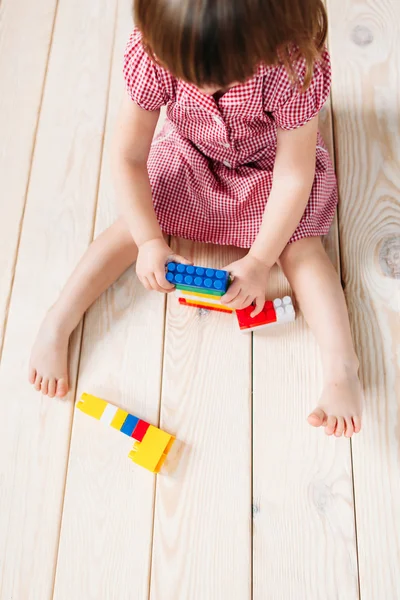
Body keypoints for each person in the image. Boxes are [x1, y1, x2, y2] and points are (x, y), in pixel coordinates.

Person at [29, 0, 363, 437]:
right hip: (191, 156)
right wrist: (150, 240)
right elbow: (129, 156)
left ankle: (342, 368)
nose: (205, 89)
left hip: (271, 169)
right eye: (193, 78)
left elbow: (294, 174)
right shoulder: (155, 52)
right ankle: (58, 320)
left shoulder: (292, 66)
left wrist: (260, 261)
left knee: (303, 250)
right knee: (129, 228)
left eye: (221, 79)